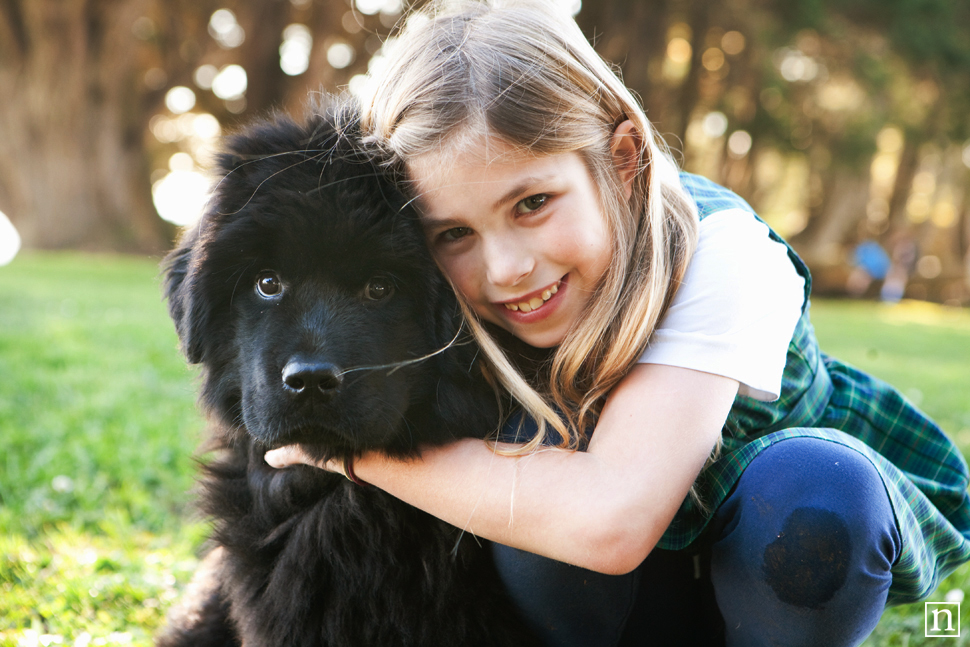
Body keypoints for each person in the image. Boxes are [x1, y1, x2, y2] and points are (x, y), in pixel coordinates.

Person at [265, 1, 970, 644]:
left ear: (623, 159)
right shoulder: (440, 294)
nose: (507, 267)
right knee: (526, 470)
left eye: (533, 202)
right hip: (607, 606)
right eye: (453, 233)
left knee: (817, 489)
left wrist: (355, 454)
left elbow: (612, 518)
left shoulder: (722, 253)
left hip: (763, 562)